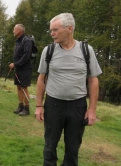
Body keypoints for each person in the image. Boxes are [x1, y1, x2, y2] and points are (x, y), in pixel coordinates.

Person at [35, 13, 102, 166]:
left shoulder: (86, 50)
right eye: (51, 30)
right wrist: (39, 106)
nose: (52, 33)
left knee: (73, 148)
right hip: (53, 105)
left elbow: (93, 80)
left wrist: (92, 110)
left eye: (55, 30)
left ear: (69, 29)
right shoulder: (49, 51)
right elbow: (41, 79)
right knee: (50, 145)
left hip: (77, 106)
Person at [8, 24, 32, 116]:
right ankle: (20, 105)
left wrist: (15, 64)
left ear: (19, 30)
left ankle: (27, 108)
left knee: (24, 87)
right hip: (17, 67)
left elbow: (26, 56)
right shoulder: (17, 41)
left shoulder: (27, 41)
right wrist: (15, 64)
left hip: (25, 68)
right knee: (18, 87)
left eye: (14, 29)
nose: (13, 31)